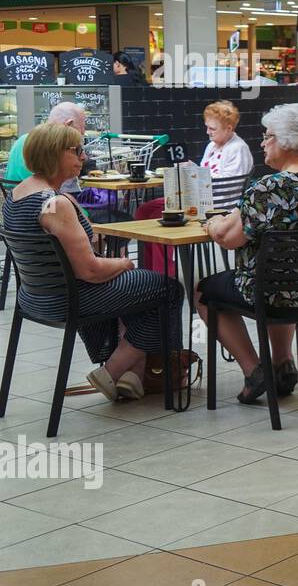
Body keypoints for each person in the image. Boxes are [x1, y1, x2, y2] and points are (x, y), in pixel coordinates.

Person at [3, 122, 183, 402]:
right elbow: (91, 270)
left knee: (138, 291)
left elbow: (85, 243)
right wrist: (125, 265)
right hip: (70, 299)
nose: (84, 158)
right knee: (167, 288)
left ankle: (132, 374)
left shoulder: (17, 196)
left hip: (35, 298)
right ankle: (111, 372)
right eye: (77, 150)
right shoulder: (54, 203)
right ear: (54, 153)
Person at [197, 104, 298, 403]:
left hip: (272, 293)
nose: (263, 143)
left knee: (203, 290)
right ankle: (282, 362)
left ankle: (255, 371)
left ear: (287, 142)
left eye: (268, 136)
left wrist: (213, 223)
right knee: (283, 274)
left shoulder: (268, 187)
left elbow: (228, 239)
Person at [134, 100, 256, 272]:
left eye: (212, 129)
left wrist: (193, 171)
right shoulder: (212, 146)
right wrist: (192, 170)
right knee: (145, 210)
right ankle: (150, 270)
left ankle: (163, 273)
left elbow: (228, 184)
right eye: (207, 127)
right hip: (200, 198)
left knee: (160, 214)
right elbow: (206, 175)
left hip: (216, 205)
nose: (208, 132)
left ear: (229, 128)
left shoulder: (238, 148)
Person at [5, 102, 88, 186]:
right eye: (82, 128)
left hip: (15, 192)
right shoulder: (53, 145)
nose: (83, 132)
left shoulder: (27, 138)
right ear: (68, 125)